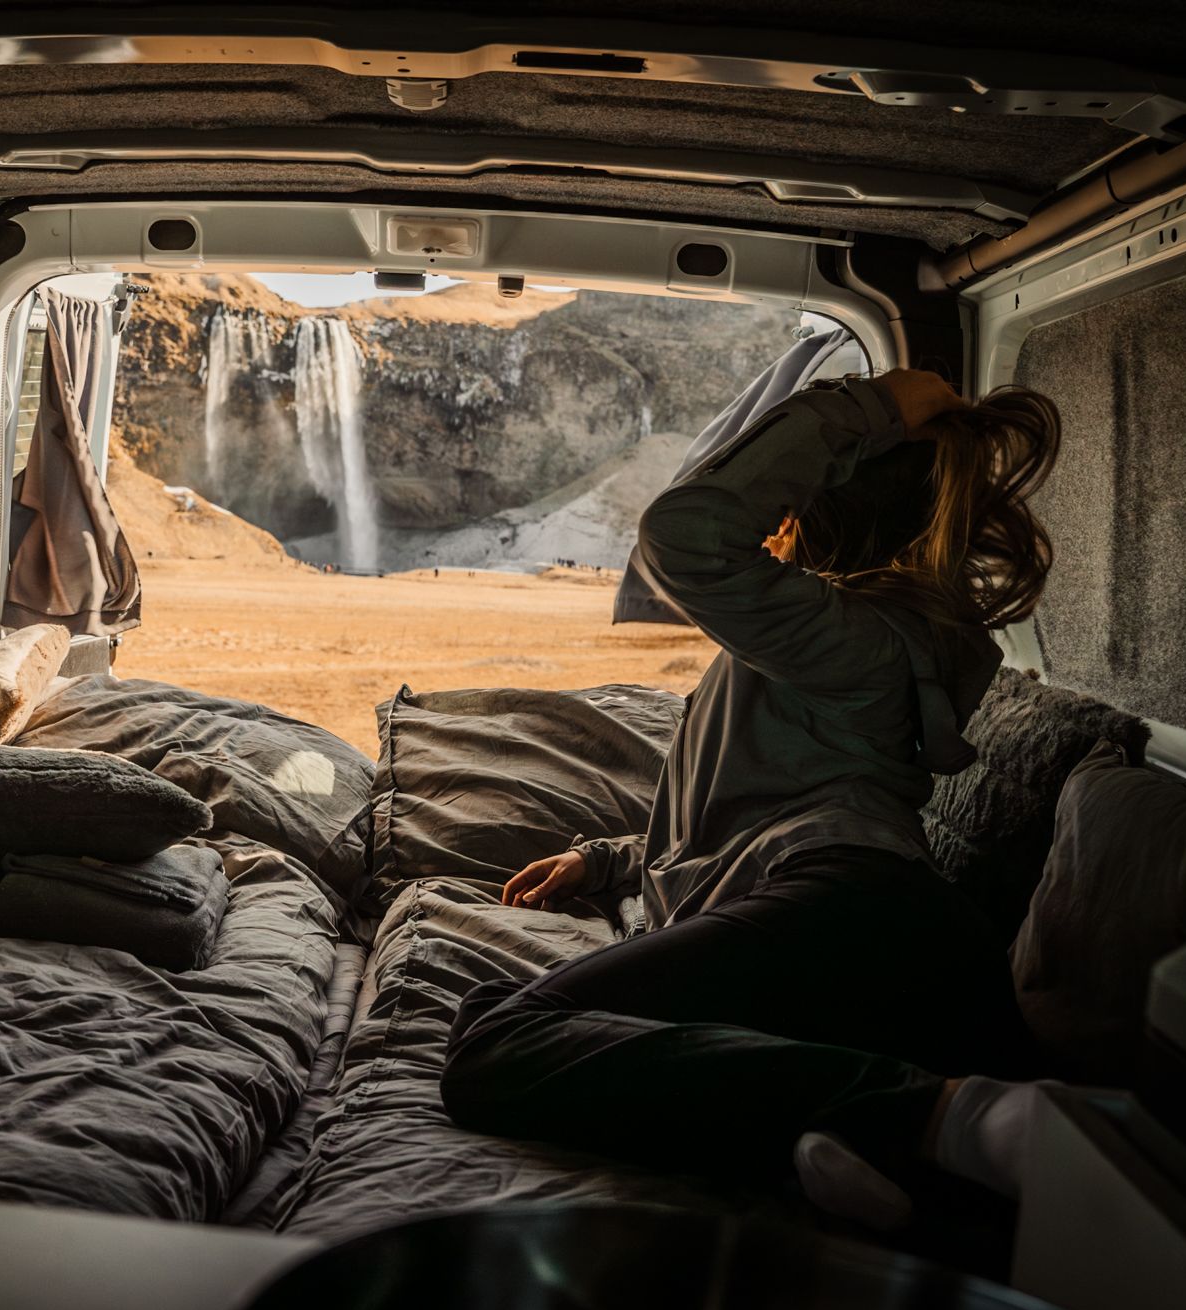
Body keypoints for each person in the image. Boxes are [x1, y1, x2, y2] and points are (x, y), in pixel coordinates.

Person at [439, 369, 1062, 1231]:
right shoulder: (864, 637)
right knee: (508, 1020)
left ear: (835, 515)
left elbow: (684, 534)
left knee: (495, 1042)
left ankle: (934, 1116)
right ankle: (880, 1144)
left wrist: (868, 407)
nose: (779, 516)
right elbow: (761, 797)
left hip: (844, 903)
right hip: (872, 914)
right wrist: (609, 860)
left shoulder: (854, 641)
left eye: (801, 499)